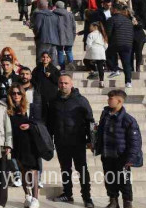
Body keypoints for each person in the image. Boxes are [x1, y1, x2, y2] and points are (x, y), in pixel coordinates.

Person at [48, 74, 95, 207]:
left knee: (82, 170)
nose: (63, 85)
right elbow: (50, 123)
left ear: (71, 84)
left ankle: (87, 197)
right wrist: (50, 140)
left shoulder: (81, 100)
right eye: (61, 83)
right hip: (61, 141)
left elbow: (90, 121)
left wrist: (91, 140)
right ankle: (67, 194)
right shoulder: (53, 101)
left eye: (66, 83)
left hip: (78, 142)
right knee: (65, 169)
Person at [94, 89, 141, 208]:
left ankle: (127, 202)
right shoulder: (105, 115)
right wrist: (96, 146)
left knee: (124, 181)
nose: (108, 100)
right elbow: (100, 133)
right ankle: (113, 201)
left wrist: (130, 158)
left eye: (111, 98)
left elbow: (135, 142)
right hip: (107, 154)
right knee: (109, 179)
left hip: (122, 157)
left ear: (119, 101)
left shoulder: (128, 120)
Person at [7, 85, 41, 208]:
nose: (16, 95)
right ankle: (27, 196)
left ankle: (36, 198)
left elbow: (39, 122)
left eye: (18, 93)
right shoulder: (8, 109)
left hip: (30, 142)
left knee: (33, 171)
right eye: (13, 93)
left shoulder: (29, 107)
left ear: (22, 95)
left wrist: (29, 126)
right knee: (23, 171)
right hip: (17, 143)